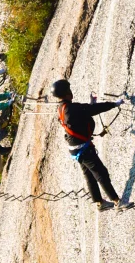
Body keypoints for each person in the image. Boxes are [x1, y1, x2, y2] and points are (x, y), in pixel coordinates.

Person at [51, 79, 121, 209]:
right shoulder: (71, 108)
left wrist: (91, 103)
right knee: (100, 173)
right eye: (69, 90)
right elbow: (91, 110)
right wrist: (114, 104)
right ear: (67, 92)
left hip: (75, 149)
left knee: (89, 175)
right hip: (83, 149)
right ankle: (117, 201)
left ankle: (100, 202)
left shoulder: (61, 108)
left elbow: (84, 112)